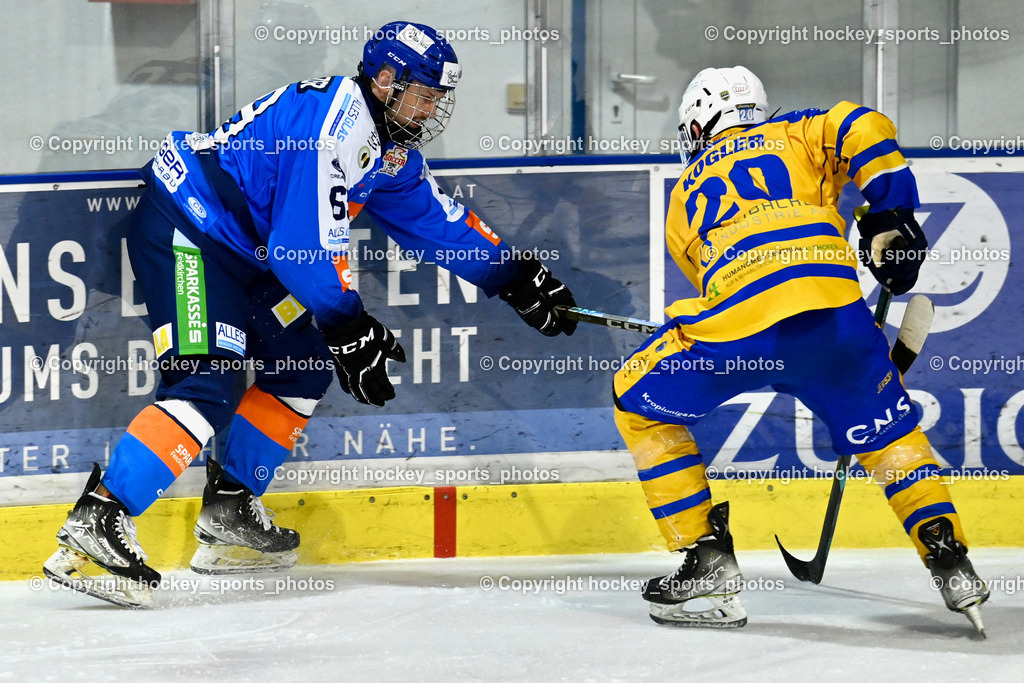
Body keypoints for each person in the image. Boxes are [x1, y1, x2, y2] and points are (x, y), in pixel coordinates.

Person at [43, 21, 576, 608]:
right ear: (386, 80)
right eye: (424, 94)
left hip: (250, 250)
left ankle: (230, 507)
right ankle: (100, 517)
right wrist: (347, 323)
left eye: (437, 98)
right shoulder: (332, 130)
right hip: (190, 227)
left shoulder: (387, 145)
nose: (431, 110)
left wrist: (515, 276)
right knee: (209, 379)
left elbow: (435, 222)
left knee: (300, 365)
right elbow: (309, 243)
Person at [612, 66, 988, 631]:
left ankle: (705, 557)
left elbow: (714, 282)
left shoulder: (683, 192)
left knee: (634, 403)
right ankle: (949, 555)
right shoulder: (799, 131)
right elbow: (862, 124)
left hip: (741, 327)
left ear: (698, 123)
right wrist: (891, 214)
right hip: (836, 320)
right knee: (887, 436)